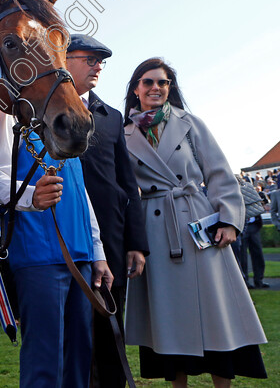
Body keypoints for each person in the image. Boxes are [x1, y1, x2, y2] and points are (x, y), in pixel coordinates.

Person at [122, 58, 267, 387]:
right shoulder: (124, 133)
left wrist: (229, 221)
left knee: (217, 315)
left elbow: (219, 173)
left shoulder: (191, 124)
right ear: (135, 89)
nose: (156, 87)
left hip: (198, 227)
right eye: (148, 82)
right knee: (169, 320)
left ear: (170, 88)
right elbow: (125, 188)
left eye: (163, 82)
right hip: (155, 233)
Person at [0, 109, 113, 387]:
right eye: (89, 60)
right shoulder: (6, 117)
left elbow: (80, 191)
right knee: (45, 364)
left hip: (82, 254)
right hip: (38, 253)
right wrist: (32, 195)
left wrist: (97, 250)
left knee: (79, 361)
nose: (96, 67)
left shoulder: (69, 118)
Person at [64, 34, 149, 388]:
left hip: (111, 238)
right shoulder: (41, 113)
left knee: (109, 324)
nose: (98, 66)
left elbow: (128, 185)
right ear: (64, 60)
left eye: (101, 61)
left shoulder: (111, 117)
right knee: (71, 330)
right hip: (64, 233)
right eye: (90, 59)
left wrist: (136, 243)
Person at [237, 179, 268, 289]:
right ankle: (245, 283)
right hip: (242, 227)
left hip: (254, 225)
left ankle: (259, 280)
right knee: (242, 257)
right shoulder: (233, 192)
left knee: (258, 253)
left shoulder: (250, 189)